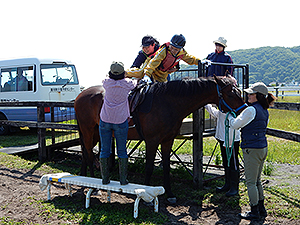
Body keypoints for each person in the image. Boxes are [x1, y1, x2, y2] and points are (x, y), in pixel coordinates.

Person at [229, 82, 276, 220]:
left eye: (251, 94)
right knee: (257, 181)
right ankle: (261, 209)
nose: (248, 95)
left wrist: (231, 117)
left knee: (250, 182)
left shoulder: (251, 110)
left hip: (252, 149)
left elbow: (236, 124)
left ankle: (254, 211)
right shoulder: (264, 110)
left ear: (258, 96)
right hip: (262, 147)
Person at [99, 61, 137, 185]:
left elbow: (106, 79)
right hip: (121, 120)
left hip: (105, 119)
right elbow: (136, 83)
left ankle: (105, 179)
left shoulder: (106, 83)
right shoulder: (127, 84)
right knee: (122, 151)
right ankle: (123, 180)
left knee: (104, 150)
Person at [205, 103, 241, 197]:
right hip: (222, 139)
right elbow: (215, 112)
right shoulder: (222, 111)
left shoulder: (232, 113)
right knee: (226, 162)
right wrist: (206, 105)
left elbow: (233, 127)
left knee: (233, 162)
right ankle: (227, 184)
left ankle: (234, 187)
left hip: (231, 140)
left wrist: (228, 143)